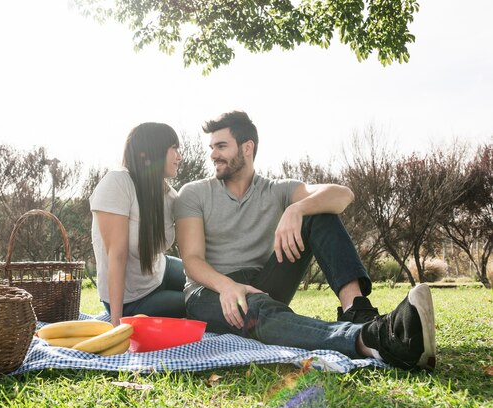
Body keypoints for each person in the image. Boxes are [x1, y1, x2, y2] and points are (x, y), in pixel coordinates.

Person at [174, 111, 436, 370]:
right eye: (211, 147)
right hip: (211, 292)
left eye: (221, 146)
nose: (213, 154)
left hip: (264, 282)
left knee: (319, 211)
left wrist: (296, 209)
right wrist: (228, 286)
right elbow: (192, 260)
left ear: (247, 148)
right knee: (256, 309)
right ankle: (371, 338)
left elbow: (342, 195)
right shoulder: (194, 193)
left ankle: (356, 310)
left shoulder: (277, 190)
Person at [90, 122, 186, 326]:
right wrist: (117, 324)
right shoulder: (117, 183)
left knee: (210, 286)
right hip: (132, 299)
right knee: (197, 302)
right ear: (148, 152)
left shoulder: (170, 196)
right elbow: (116, 255)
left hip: (162, 269)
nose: (179, 156)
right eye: (174, 148)